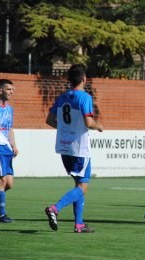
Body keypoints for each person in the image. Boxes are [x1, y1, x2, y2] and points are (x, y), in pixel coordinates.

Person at [44, 65, 104, 233]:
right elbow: (89, 122)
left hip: (64, 147)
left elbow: (49, 120)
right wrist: (98, 126)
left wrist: (66, 130)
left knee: (78, 184)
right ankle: (55, 208)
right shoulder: (85, 97)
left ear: (69, 79)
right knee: (83, 187)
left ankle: (79, 224)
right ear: (84, 78)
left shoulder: (62, 97)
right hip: (79, 149)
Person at [0, 79, 18, 223]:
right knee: (1, 181)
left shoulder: (9, 108)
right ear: (0, 90)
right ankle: (2, 216)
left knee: (9, 184)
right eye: (8, 89)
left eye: (12, 89)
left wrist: (13, 145)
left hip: (6, 148)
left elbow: (10, 129)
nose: (11, 92)